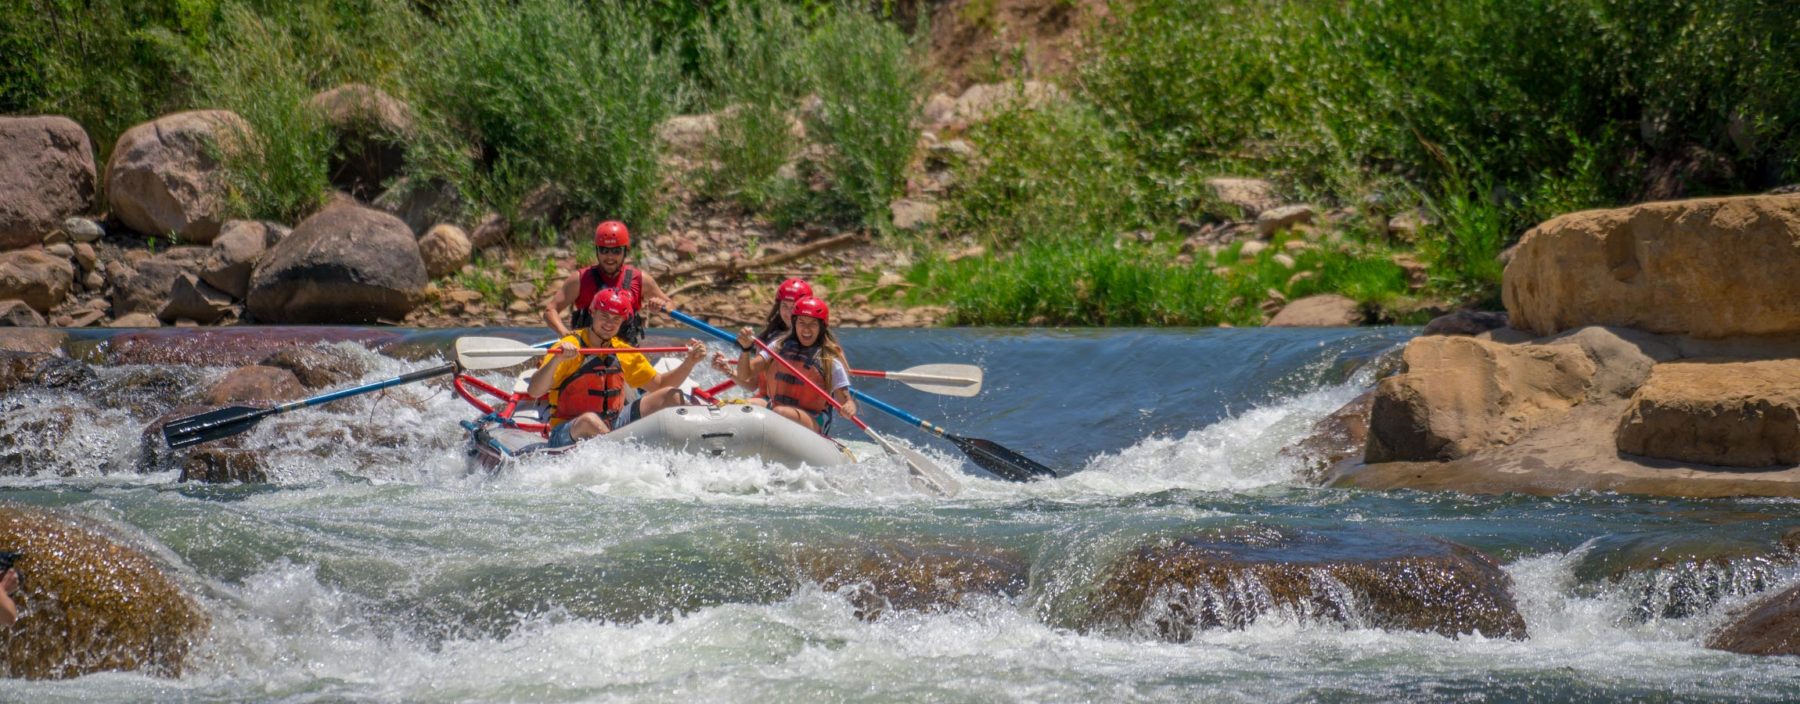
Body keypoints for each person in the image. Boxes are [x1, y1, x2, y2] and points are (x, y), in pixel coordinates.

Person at [528, 288, 707, 448]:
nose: (609, 323)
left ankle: (694, 450)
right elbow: (535, 390)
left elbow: (660, 385)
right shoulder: (570, 345)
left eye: (616, 319)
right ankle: (622, 459)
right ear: (593, 312)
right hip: (568, 431)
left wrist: (689, 362)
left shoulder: (622, 350)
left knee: (672, 395)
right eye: (604, 316)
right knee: (589, 421)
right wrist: (556, 360)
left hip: (613, 426)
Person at [729, 296, 857, 434]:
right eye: (801, 322)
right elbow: (744, 375)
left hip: (814, 419)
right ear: (794, 323)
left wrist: (849, 408)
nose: (806, 329)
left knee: (780, 412)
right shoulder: (777, 347)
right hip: (776, 409)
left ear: (821, 327)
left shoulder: (830, 361)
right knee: (747, 405)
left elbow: (846, 402)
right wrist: (746, 349)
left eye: (812, 324)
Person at [542, 220, 674, 345]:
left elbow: (670, 308)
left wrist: (661, 306)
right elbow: (550, 310)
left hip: (625, 354)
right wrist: (564, 334)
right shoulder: (579, 279)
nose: (610, 257)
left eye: (616, 251)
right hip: (585, 353)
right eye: (604, 250)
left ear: (625, 252)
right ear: (597, 251)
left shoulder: (641, 280)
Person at [710, 277, 816, 375]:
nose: (789, 312)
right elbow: (752, 383)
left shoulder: (819, 343)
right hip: (768, 395)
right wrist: (729, 370)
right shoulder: (770, 340)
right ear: (778, 307)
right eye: (784, 306)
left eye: (794, 307)